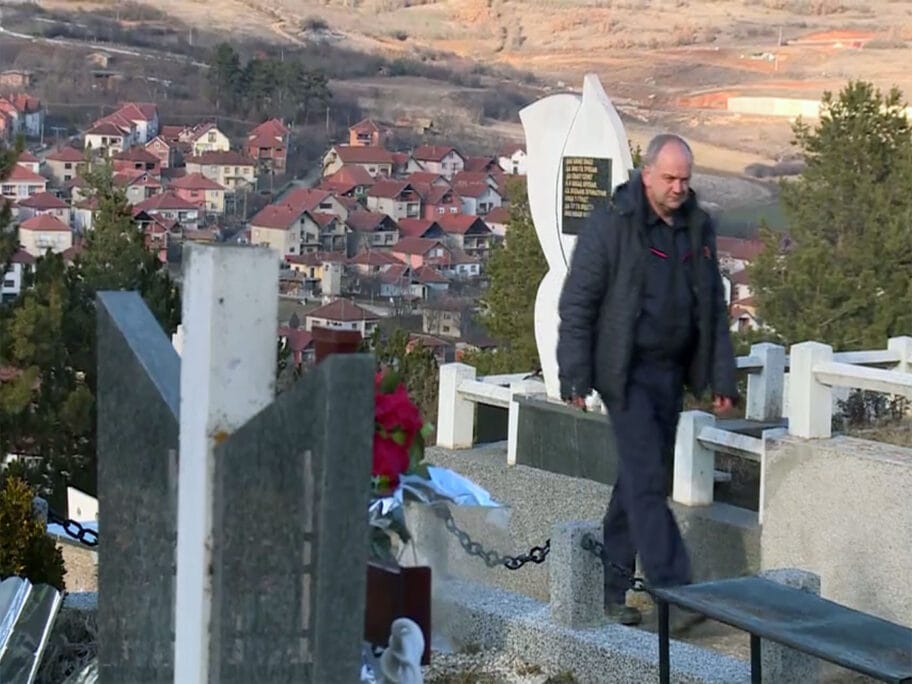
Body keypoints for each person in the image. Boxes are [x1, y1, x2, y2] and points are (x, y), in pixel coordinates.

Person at [556, 133, 738, 627]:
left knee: (636, 481)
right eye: (671, 178)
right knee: (647, 479)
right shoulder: (611, 224)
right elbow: (578, 303)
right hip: (624, 372)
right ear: (647, 174)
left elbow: (713, 310)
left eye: (686, 179)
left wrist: (722, 375)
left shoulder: (697, 228)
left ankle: (609, 590)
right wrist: (573, 373)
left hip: (671, 373)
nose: (680, 188)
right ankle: (675, 592)